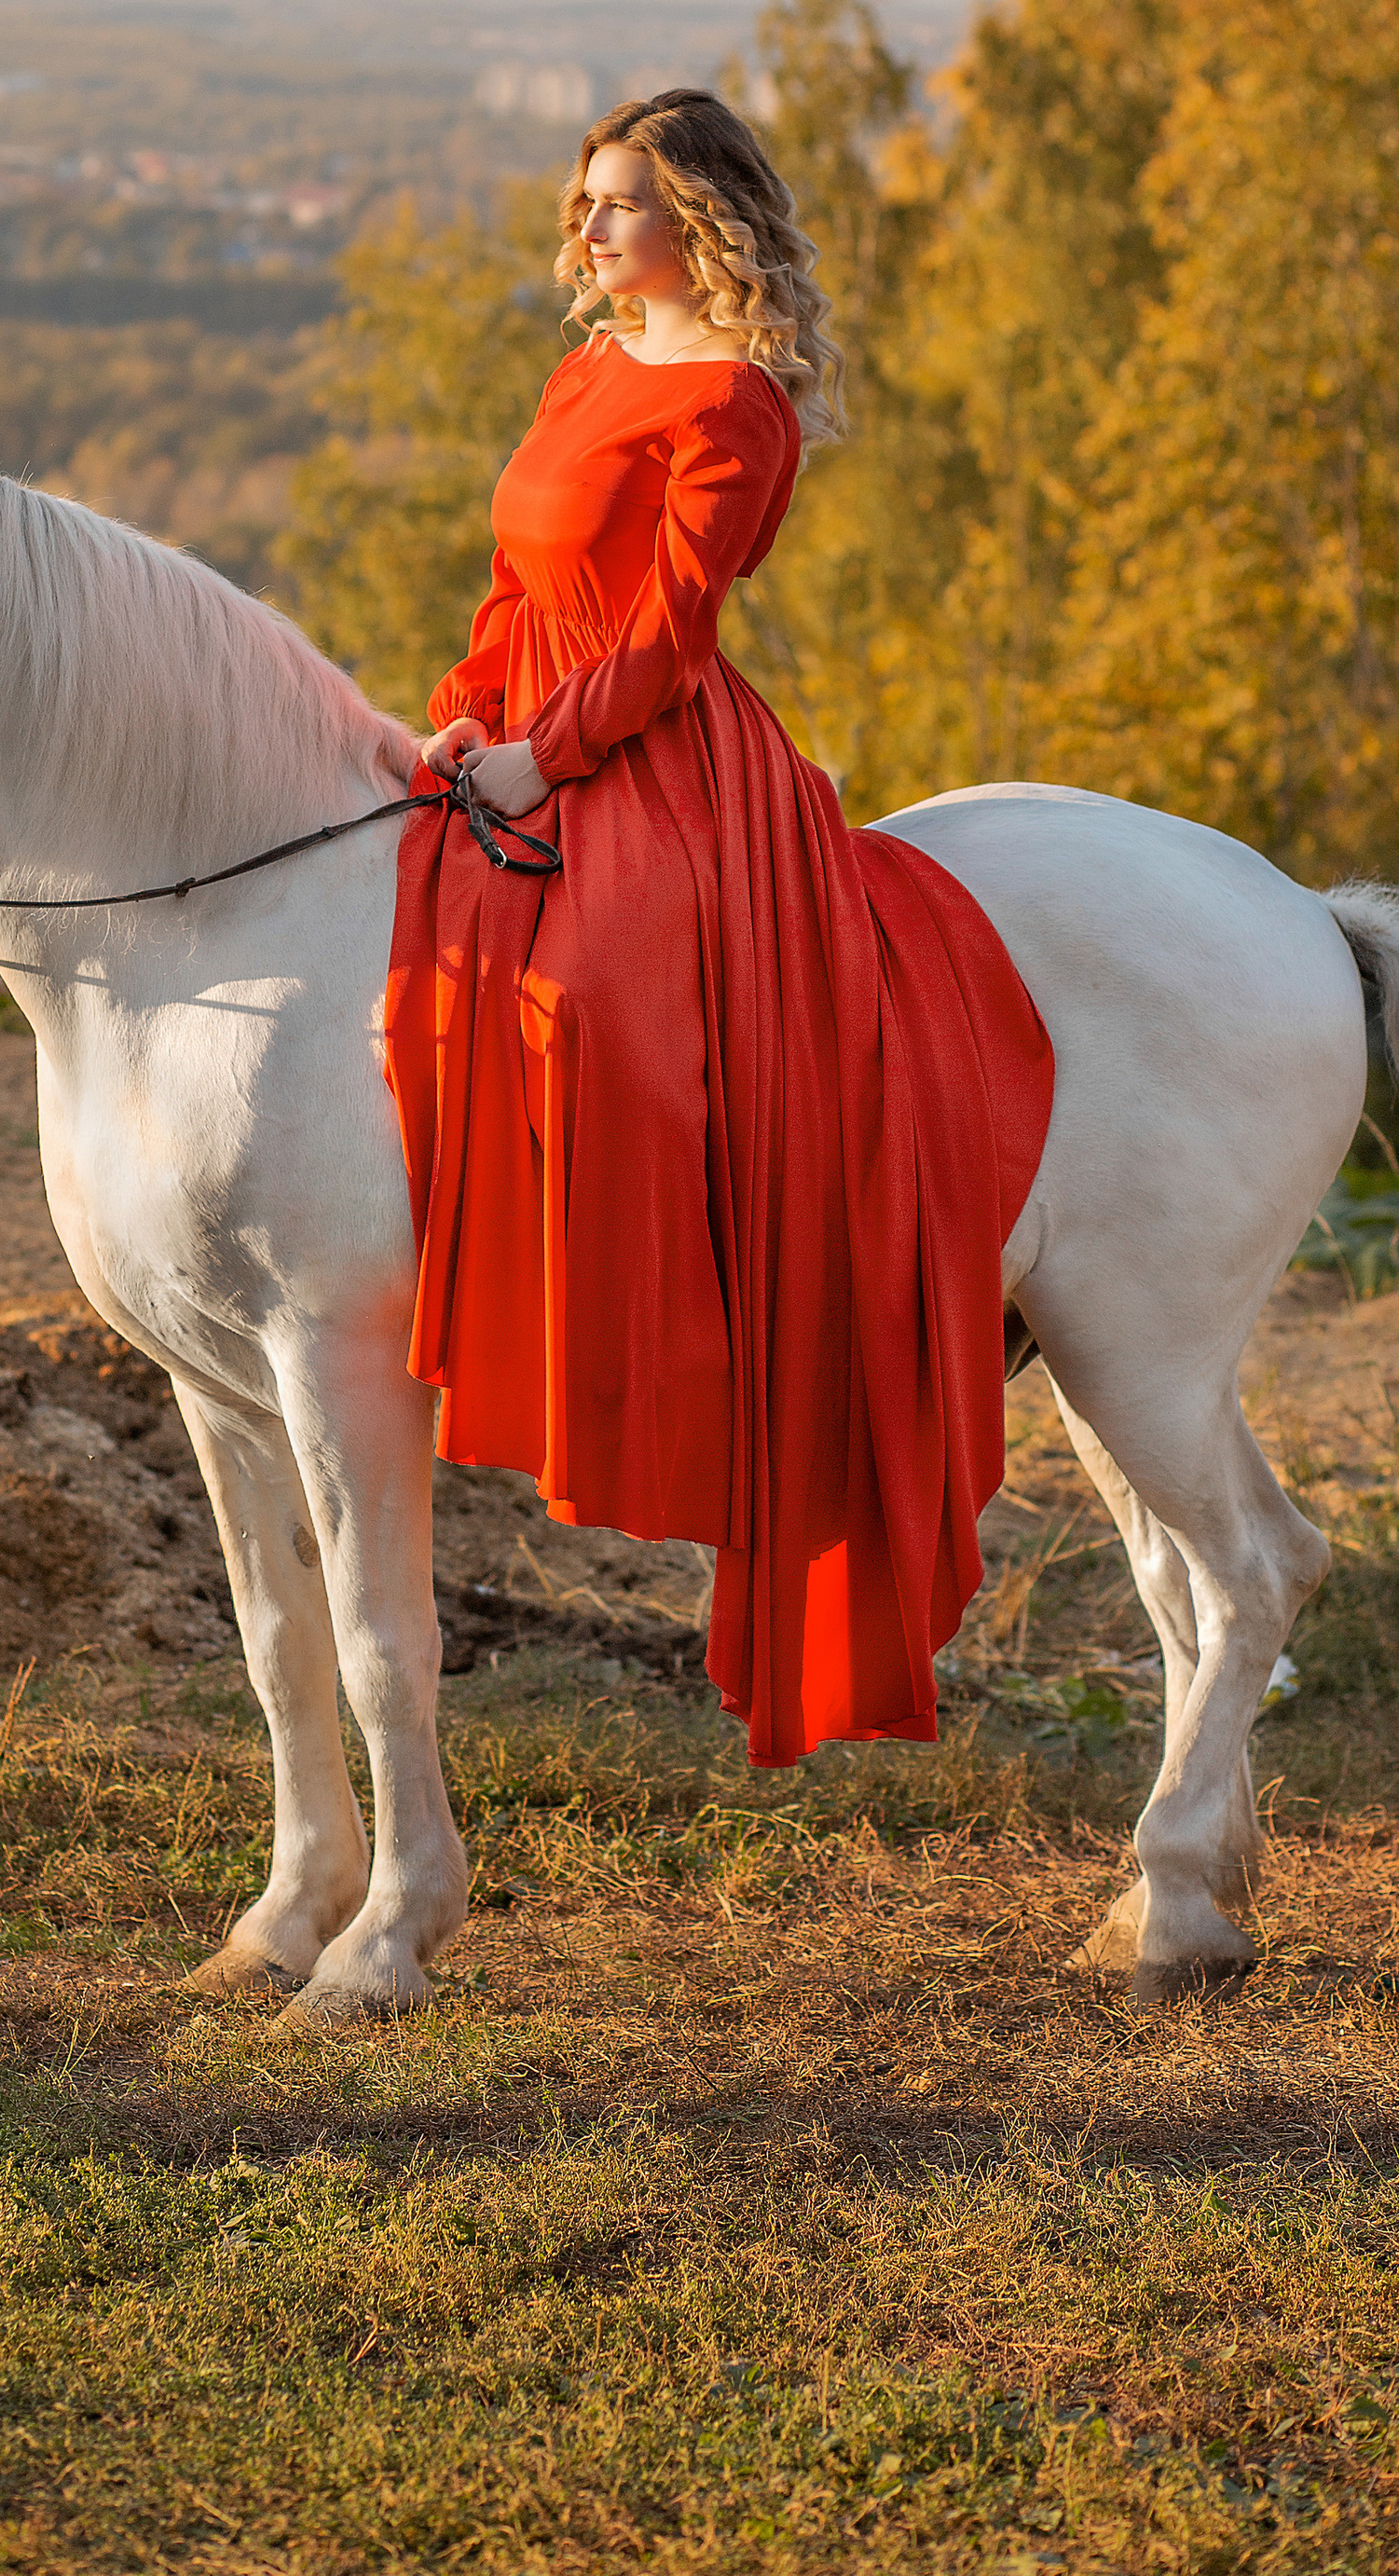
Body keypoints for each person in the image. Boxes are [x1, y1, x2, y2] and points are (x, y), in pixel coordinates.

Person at [382, 89, 1053, 1764]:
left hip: (654, 759)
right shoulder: (593, 360)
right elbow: (517, 584)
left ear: (703, 221)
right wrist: (471, 713)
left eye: (622, 206)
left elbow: (670, 638)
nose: (591, 231)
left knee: (604, 999)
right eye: (588, 201)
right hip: (530, 722)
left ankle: (664, 1352)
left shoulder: (738, 405)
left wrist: (552, 752)